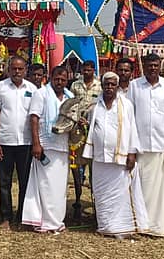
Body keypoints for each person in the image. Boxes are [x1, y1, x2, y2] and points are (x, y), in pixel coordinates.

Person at [81, 72, 148, 239]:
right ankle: (105, 226)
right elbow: (92, 127)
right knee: (101, 193)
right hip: (100, 158)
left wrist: (132, 153)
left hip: (120, 158)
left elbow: (132, 129)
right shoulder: (95, 106)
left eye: (112, 84)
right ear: (102, 86)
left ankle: (122, 228)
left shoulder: (126, 105)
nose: (109, 87)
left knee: (120, 194)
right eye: (106, 84)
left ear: (117, 87)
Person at [127, 53, 164, 237]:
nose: (152, 68)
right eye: (149, 65)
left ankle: (160, 227)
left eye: (156, 65)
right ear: (144, 65)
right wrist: (130, 148)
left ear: (160, 66)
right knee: (141, 187)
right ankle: (142, 225)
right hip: (140, 145)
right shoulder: (134, 86)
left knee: (160, 189)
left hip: (161, 145)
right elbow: (129, 118)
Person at [22, 66, 74, 233]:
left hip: (63, 147)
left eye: (63, 80)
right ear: (50, 77)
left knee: (59, 188)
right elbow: (34, 119)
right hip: (46, 146)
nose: (59, 82)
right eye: (56, 79)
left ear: (67, 80)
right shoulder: (41, 94)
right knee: (46, 186)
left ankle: (57, 221)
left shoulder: (70, 97)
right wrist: (36, 144)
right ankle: (45, 222)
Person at [0, 56, 37, 229]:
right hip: (5, 142)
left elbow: (35, 117)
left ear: (25, 70)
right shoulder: (0, 87)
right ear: (8, 70)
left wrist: (36, 143)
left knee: (25, 182)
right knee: (4, 181)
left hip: (26, 143)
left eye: (20, 69)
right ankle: (6, 217)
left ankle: (22, 216)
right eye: (14, 69)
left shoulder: (32, 89)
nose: (17, 72)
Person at [68, 60, 100, 221]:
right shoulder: (75, 85)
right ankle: (78, 202)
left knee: (95, 169)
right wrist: (77, 119)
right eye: (84, 70)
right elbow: (70, 105)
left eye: (89, 70)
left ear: (94, 70)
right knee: (76, 168)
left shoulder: (100, 86)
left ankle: (96, 205)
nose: (87, 72)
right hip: (77, 132)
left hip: (93, 131)